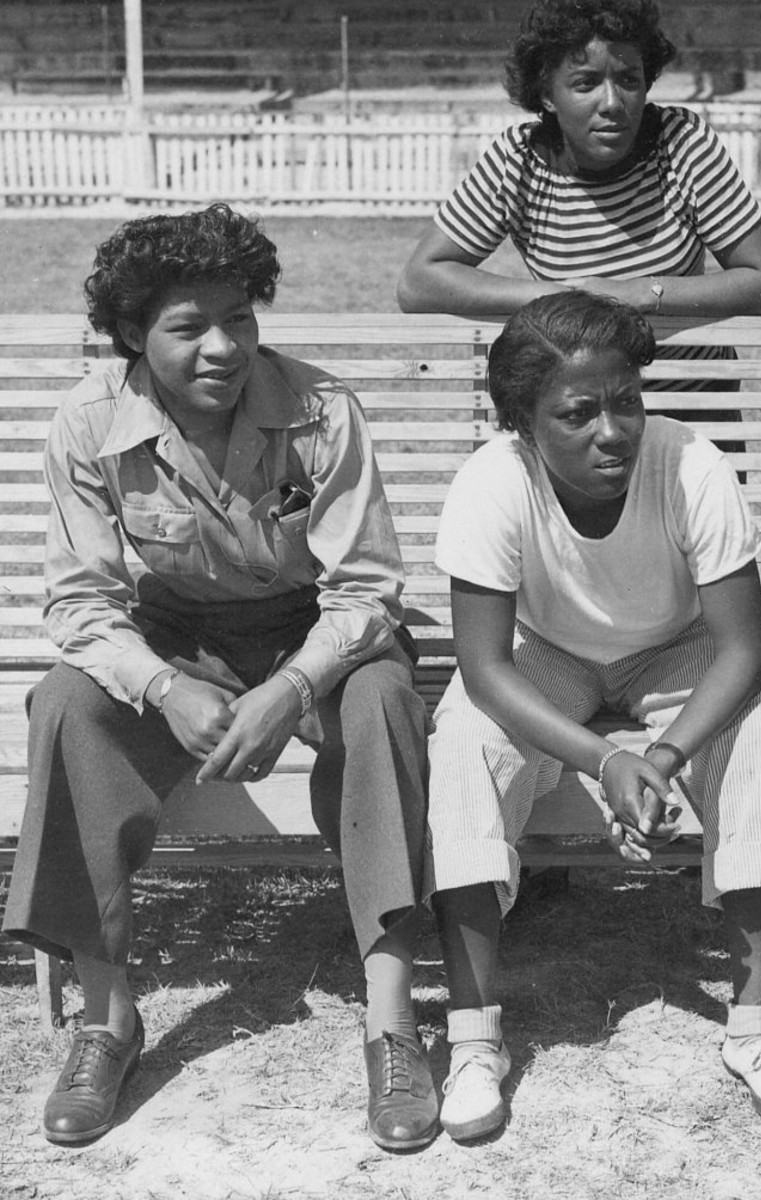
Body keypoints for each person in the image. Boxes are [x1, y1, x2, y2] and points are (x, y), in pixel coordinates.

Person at [2, 205, 437, 1154]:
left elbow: (365, 589)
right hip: (177, 637)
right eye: (187, 327)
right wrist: (164, 688)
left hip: (313, 633)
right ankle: (108, 1019)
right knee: (67, 704)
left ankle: (392, 1020)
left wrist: (287, 692)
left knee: (386, 701)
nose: (222, 347)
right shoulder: (87, 424)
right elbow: (81, 607)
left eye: (238, 318)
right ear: (130, 335)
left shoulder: (322, 410)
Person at [422, 290, 761, 1142]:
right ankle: (475, 1041)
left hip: (678, 649)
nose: (612, 430)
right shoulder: (492, 481)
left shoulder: (691, 464)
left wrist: (663, 757)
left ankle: (753, 1027)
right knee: (466, 742)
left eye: (626, 400)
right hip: (543, 655)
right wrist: (604, 760)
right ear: (523, 422)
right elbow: (484, 668)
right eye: (577, 413)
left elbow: (742, 651)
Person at [395, 0, 761, 433]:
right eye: (585, 83)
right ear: (547, 94)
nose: (613, 103)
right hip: (580, 419)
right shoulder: (520, 160)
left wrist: (637, 294)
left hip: (690, 411)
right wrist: (566, 300)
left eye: (628, 80)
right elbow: (419, 283)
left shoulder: (680, 144)